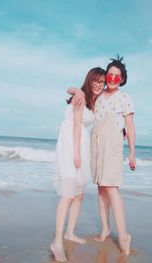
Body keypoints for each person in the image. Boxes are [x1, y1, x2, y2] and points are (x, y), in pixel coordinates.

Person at [70, 56, 136, 256]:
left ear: (122, 79)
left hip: (113, 143)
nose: (113, 78)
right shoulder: (97, 96)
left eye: (118, 76)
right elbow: (73, 91)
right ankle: (105, 228)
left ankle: (123, 234)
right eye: (111, 75)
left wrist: (132, 153)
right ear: (106, 76)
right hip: (95, 142)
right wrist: (80, 90)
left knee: (112, 187)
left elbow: (130, 127)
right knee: (100, 187)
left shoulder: (125, 98)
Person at [50, 67, 106, 262]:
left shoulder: (93, 101)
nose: (99, 84)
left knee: (79, 193)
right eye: (96, 81)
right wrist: (75, 152)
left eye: (102, 81)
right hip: (71, 144)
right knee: (68, 193)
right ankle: (57, 242)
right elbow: (75, 123)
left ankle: (69, 233)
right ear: (89, 80)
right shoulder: (80, 96)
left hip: (82, 144)